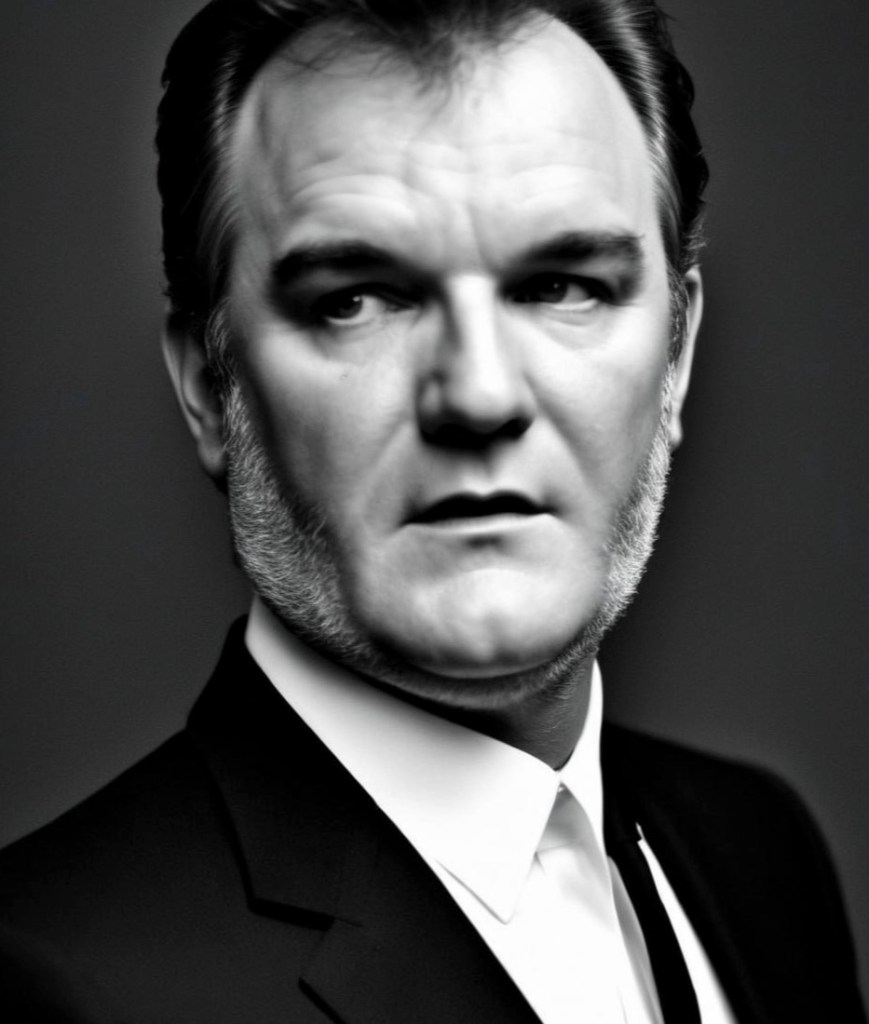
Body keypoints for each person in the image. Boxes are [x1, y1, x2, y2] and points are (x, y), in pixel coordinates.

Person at [0, 0, 864, 1020]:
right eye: (354, 298)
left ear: (673, 358)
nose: (479, 394)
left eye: (561, 283)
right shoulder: (48, 981)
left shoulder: (759, 851)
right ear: (207, 387)